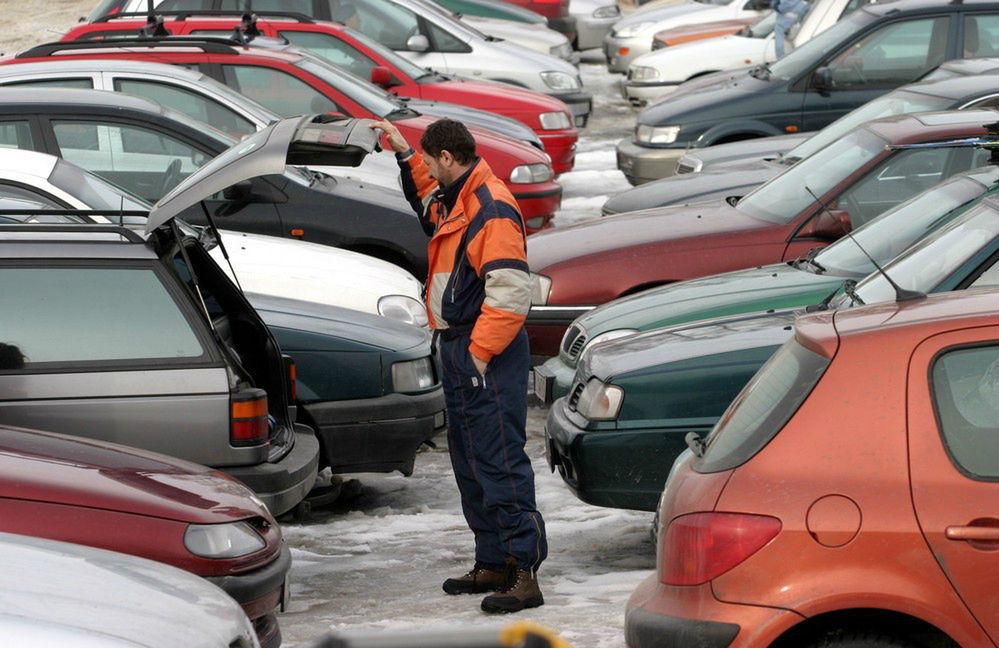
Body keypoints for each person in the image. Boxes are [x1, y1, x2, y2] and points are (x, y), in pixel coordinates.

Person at [369, 117, 548, 614]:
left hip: (483, 351)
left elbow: (511, 294)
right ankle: (492, 561)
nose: (427, 168)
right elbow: (428, 201)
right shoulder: (458, 199)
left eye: (429, 159)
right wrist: (405, 154)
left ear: (448, 158)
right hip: (462, 346)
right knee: (470, 462)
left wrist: (478, 354)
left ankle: (522, 573)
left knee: (499, 462)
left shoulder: (490, 209)